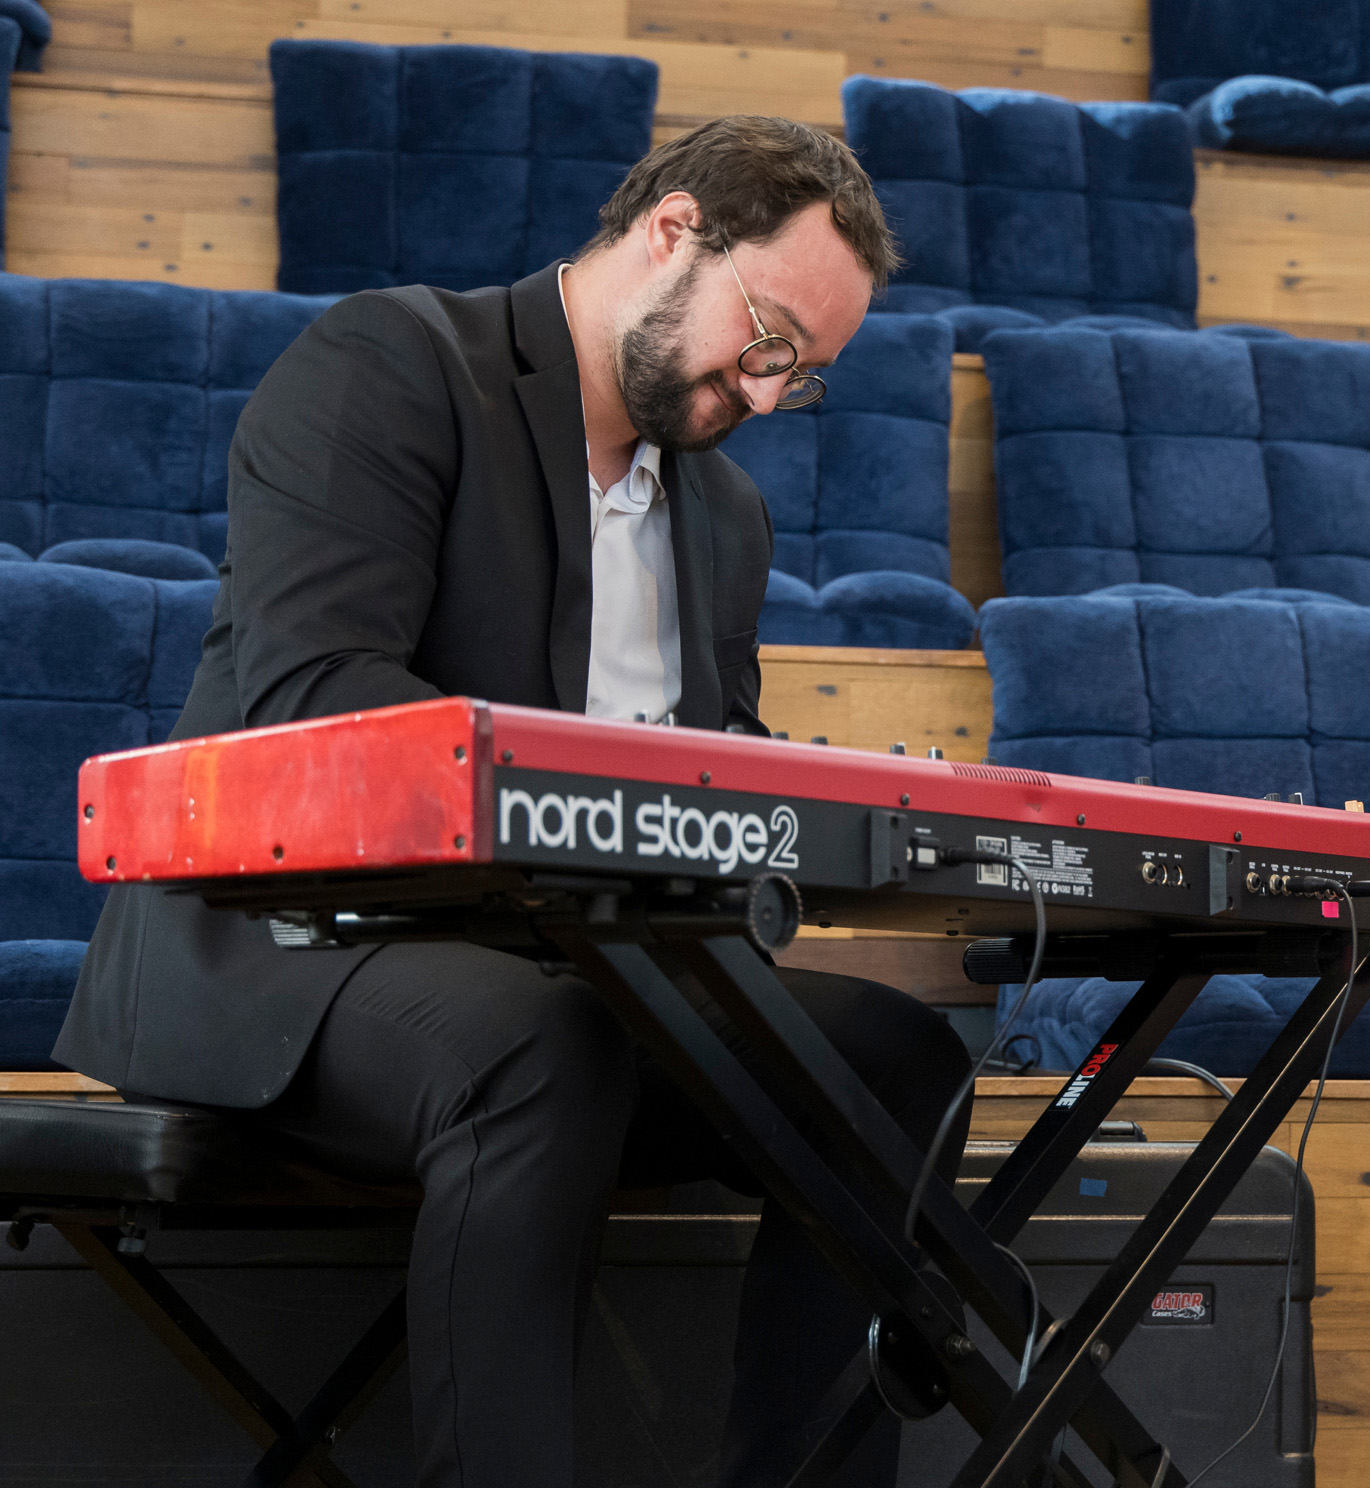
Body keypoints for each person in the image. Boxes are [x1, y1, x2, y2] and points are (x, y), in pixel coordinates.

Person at [56, 116, 970, 1487]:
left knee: (897, 1062)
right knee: (541, 1045)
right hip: (285, 954)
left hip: (575, 979)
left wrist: (851, 803)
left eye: (806, 375)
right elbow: (317, 701)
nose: (769, 394)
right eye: (766, 336)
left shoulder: (725, 519)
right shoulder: (394, 366)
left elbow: (714, 769)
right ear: (672, 230)